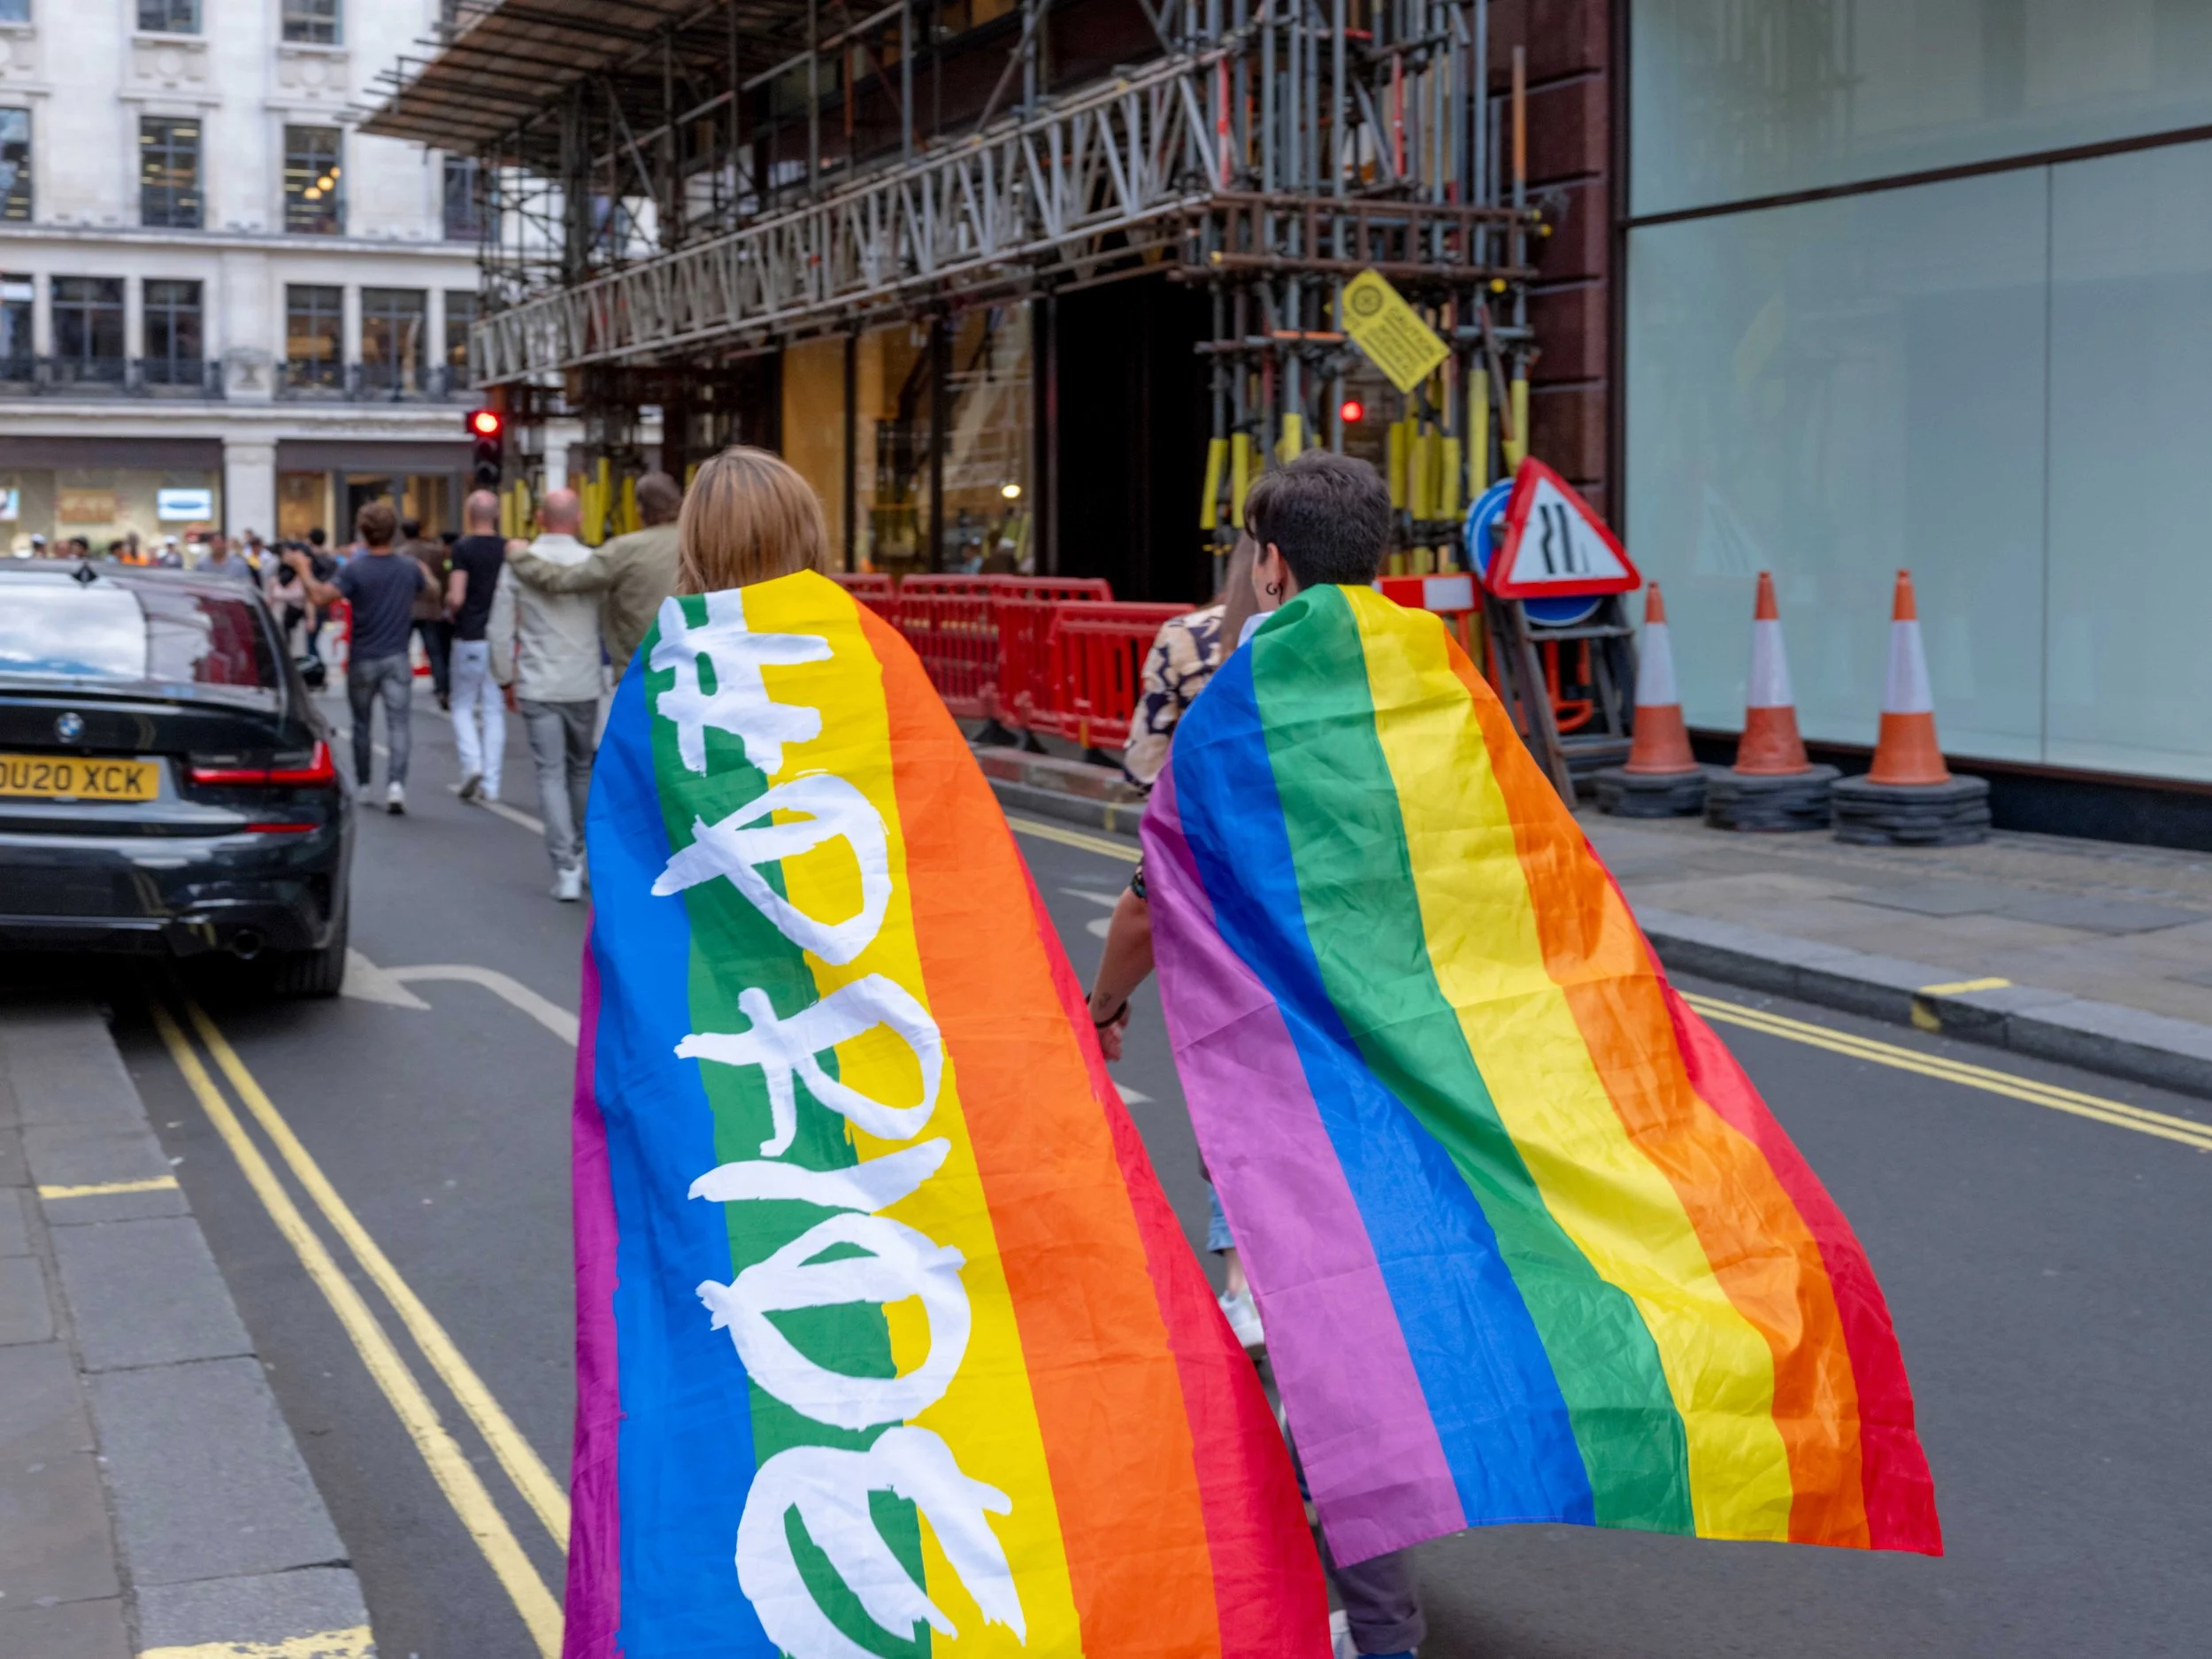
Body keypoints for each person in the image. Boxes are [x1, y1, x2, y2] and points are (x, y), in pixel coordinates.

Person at [1086, 452, 1425, 1659]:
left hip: (1269, 1079)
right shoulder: (1431, 684)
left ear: (1271, 564)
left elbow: (1150, 896)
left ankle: (1331, 1608)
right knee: (1363, 1328)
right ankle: (1368, 1604)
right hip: (1405, 1063)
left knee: (1292, 1340)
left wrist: (1104, 1002)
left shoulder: (1229, 695)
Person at [487, 489, 603, 900]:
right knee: (581, 769)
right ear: (580, 518)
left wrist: (504, 678)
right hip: (583, 680)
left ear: (539, 518)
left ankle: (565, 867)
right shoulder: (593, 562)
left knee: (550, 773)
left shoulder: (519, 563)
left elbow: (499, 628)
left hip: (538, 680)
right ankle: (583, 851)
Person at [285, 501, 434, 814]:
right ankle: (396, 785)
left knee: (362, 724)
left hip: (364, 656)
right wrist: (425, 571)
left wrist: (303, 569)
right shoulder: (407, 567)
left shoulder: (355, 569)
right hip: (397, 655)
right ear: (393, 531)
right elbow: (433, 590)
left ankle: (365, 784)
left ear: (363, 532)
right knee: (399, 724)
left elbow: (320, 596)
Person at [502, 470, 683, 683]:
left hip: (642, 671)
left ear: (639, 509)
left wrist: (520, 556)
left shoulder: (624, 550)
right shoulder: (697, 543)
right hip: (694, 669)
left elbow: (561, 580)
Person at [445, 492, 510, 803]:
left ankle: (472, 763)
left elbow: (457, 597)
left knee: (462, 705)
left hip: (470, 635)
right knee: (495, 709)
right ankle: (492, 784)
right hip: (501, 637)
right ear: (497, 514)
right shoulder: (508, 549)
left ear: (469, 513)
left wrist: (450, 606)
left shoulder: (463, 548)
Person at [399, 517, 454, 710]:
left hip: (407, 608)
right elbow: (446, 573)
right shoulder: (435, 552)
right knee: (436, 653)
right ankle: (442, 689)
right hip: (431, 607)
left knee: (401, 651)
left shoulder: (401, 554)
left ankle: (401, 686)